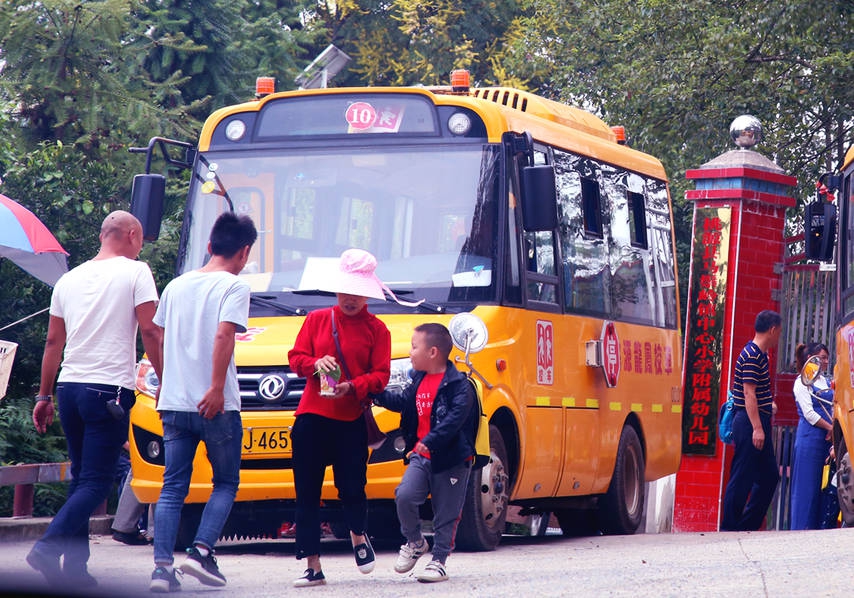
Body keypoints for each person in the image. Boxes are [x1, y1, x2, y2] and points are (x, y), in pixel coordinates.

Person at [27, 210, 162, 588]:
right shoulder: (137, 272)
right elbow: (151, 331)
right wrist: (165, 380)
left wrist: (44, 395)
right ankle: (47, 547)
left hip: (69, 388)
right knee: (97, 483)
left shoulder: (68, 280)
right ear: (132, 235)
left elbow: (53, 343)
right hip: (108, 390)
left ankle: (76, 569)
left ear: (103, 235)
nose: (141, 247)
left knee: (82, 479)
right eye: (141, 240)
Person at [148, 211, 257, 593]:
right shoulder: (234, 286)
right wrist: (215, 388)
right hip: (216, 405)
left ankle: (162, 570)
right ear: (244, 252)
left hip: (174, 403)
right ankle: (201, 552)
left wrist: (165, 382)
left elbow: (159, 337)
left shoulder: (176, 285)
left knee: (172, 486)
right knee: (225, 482)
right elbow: (224, 336)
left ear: (209, 245)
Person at [287, 248, 393, 588]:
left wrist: (353, 386)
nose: (350, 298)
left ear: (368, 294)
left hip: (351, 419)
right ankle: (312, 564)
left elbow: (381, 376)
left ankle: (358, 534)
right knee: (307, 492)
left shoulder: (378, 330)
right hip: (311, 416)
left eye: (357, 293)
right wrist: (314, 364)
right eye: (345, 291)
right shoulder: (317, 319)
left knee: (352, 488)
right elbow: (295, 357)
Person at [371, 323, 478, 583]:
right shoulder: (418, 379)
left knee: (446, 513)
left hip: (451, 458)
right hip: (421, 455)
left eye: (414, 347)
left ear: (432, 352)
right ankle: (415, 542)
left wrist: (430, 440)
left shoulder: (459, 385)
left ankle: (439, 561)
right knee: (405, 496)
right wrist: (374, 393)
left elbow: (454, 420)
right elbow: (402, 403)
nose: (410, 352)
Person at [721, 309, 782, 531]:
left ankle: (747, 525)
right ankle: (729, 527)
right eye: (779, 332)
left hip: (757, 420)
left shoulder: (760, 355)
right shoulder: (752, 355)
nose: (779, 337)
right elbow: (748, 394)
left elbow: (756, 393)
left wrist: (768, 405)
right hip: (749, 423)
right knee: (742, 476)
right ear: (772, 330)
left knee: (769, 476)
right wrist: (757, 428)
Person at [790, 342, 834, 530]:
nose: (826, 362)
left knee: (823, 488)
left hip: (827, 441)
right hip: (810, 439)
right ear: (811, 359)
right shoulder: (801, 382)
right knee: (806, 488)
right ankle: (801, 529)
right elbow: (809, 414)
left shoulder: (825, 381)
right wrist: (830, 427)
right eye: (822, 358)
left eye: (827, 358)